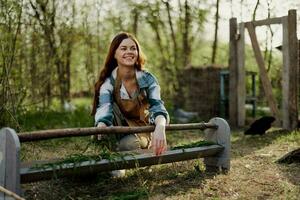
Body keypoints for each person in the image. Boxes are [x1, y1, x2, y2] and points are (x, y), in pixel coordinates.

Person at [91, 32, 169, 159]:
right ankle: (109, 154)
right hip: (118, 129)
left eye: (133, 48)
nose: (129, 52)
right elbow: (104, 109)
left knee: (128, 144)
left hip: (141, 130)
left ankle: (123, 156)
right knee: (101, 125)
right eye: (123, 48)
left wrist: (160, 128)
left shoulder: (148, 79)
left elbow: (158, 107)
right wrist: (101, 126)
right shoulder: (108, 82)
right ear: (114, 54)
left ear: (137, 53)